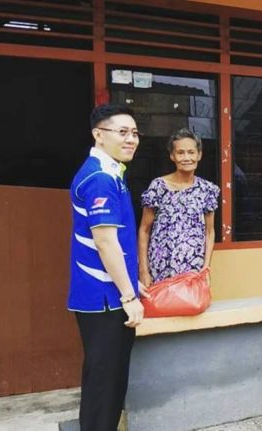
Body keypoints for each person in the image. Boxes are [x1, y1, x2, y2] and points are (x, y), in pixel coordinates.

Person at [68, 104, 147, 430]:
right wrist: (129, 296)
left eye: (135, 133)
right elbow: (105, 243)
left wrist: (132, 283)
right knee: (105, 386)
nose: (131, 139)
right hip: (104, 299)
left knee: (108, 383)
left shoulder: (111, 172)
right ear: (98, 135)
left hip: (108, 296)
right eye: (122, 132)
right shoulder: (100, 178)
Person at [138, 128, 219, 288]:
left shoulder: (207, 189)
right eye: (180, 153)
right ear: (172, 156)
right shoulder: (158, 186)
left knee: (192, 303)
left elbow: (209, 232)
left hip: (193, 269)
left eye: (191, 152)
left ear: (199, 155)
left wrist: (206, 268)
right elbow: (144, 230)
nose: (186, 158)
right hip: (160, 266)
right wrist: (144, 270)